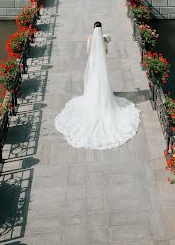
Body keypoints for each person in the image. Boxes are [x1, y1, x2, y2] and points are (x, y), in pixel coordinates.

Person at [55, 22, 140, 150]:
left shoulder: (90, 39)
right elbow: (105, 52)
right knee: (102, 81)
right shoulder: (104, 40)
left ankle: (93, 97)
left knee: (93, 82)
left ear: (93, 29)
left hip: (93, 63)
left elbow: (88, 51)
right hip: (101, 66)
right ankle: (102, 97)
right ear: (101, 30)